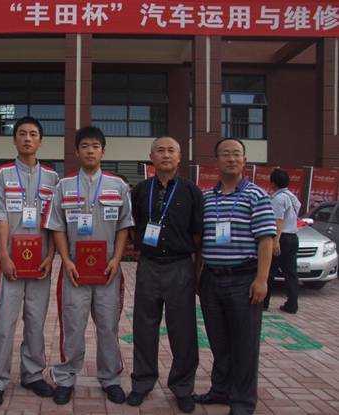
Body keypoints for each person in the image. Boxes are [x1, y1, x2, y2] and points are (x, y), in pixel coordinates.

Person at [44, 126, 134, 405]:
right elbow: (57, 227)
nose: (90, 151)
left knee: (108, 326)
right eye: (85, 146)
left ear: (103, 151)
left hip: (108, 271)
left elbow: (124, 226)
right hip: (74, 271)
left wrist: (117, 259)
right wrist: (66, 260)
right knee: (72, 326)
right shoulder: (63, 186)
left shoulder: (118, 186)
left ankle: (110, 378)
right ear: (77, 151)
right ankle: (66, 377)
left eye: (95, 146)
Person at [193, 138, 276, 415]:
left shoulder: (256, 195)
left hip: (243, 280)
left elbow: (266, 240)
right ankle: (220, 390)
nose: (231, 159)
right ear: (216, 160)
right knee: (219, 342)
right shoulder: (206, 197)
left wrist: (261, 279)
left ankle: (242, 402)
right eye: (225, 154)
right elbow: (201, 241)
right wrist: (198, 276)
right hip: (211, 280)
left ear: (244, 160)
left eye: (236, 154)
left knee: (244, 344)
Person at [0, 117, 59, 408]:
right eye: (22, 134)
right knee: (4, 322)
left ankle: (33, 374)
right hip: (10, 262)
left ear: (40, 141)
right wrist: (3, 255)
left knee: (36, 321)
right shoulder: (1, 174)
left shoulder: (52, 178)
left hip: (40, 264)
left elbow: (55, 223)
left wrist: (51, 256)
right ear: (14, 139)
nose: (28, 138)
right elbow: (0, 216)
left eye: (33, 134)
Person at [127, 137, 203, 413]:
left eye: (171, 150)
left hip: (180, 266)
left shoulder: (191, 191)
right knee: (144, 327)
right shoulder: (140, 190)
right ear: (151, 157)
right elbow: (133, 227)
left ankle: (183, 387)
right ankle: (142, 382)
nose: (166, 155)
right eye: (160, 150)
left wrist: (195, 272)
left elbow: (198, 235)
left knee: (183, 330)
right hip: (148, 266)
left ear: (179, 158)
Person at [263, 168, 301, 314]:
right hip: (293, 237)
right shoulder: (292, 196)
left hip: (281, 237)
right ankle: (292, 304)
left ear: (273, 183)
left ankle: (264, 303)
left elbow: (278, 221)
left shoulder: (278, 199)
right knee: (291, 273)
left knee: (270, 270)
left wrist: (275, 241)